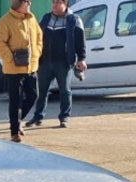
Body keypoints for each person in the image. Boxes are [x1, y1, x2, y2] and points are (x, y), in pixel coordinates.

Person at [25, 0, 87, 129]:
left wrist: (81, 58)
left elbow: (80, 41)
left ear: (65, 4)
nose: (55, 5)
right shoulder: (46, 18)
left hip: (63, 63)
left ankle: (64, 117)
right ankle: (38, 116)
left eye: (58, 2)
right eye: (53, 2)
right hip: (45, 62)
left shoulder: (74, 19)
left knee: (65, 91)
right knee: (42, 92)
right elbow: (38, 36)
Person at [0, 0, 43, 143]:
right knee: (16, 100)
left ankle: (19, 121)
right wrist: (10, 58)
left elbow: (39, 37)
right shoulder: (5, 21)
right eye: (28, 2)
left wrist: (37, 53)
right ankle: (14, 132)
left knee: (33, 95)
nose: (30, 4)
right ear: (21, 4)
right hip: (13, 69)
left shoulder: (32, 18)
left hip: (31, 67)